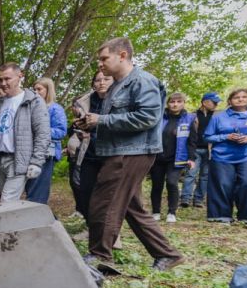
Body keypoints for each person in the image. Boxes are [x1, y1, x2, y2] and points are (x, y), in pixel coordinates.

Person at [74, 37, 183, 272]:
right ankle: (167, 254)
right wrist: (92, 123)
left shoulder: (142, 81)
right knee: (132, 208)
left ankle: (100, 256)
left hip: (131, 152)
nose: (100, 64)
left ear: (122, 55)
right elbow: (115, 120)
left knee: (105, 201)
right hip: (118, 150)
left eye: (104, 58)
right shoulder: (117, 86)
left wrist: (101, 120)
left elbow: (148, 118)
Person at [0, 63, 50, 203]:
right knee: (6, 201)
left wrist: (37, 162)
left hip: (19, 160)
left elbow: (43, 133)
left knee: (6, 203)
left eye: (7, 79)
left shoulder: (34, 101)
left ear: (20, 76)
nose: (3, 83)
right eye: (0, 80)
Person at [204, 88, 247, 226]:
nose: (240, 99)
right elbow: (207, 136)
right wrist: (225, 136)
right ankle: (222, 216)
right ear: (230, 101)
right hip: (222, 156)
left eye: (244, 97)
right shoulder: (219, 117)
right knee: (223, 185)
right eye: (236, 97)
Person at [66, 71, 113, 219]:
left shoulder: (119, 101)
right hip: (88, 153)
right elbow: (80, 128)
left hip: (111, 154)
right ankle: (90, 229)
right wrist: (79, 126)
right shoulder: (85, 102)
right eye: (98, 80)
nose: (102, 83)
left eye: (106, 79)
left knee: (107, 196)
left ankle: (111, 235)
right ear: (93, 84)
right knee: (85, 193)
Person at [149, 92, 196, 223]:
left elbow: (192, 141)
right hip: (157, 157)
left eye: (178, 102)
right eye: (172, 102)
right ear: (168, 103)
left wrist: (191, 158)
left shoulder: (189, 119)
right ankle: (156, 211)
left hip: (176, 158)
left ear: (183, 103)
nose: (175, 104)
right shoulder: (159, 117)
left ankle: (171, 212)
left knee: (171, 183)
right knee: (156, 185)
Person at [25, 77, 67, 205]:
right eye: (34, 90)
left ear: (48, 90)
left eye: (39, 89)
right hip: (31, 152)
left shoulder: (55, 109)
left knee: (38, 191)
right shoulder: (31, 108)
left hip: (47, 153)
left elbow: (61, 131)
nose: (36, 92)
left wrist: (41, 131)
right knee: (31, 188)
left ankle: (46, 219)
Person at [180, 92, 219, 208]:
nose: (216, 105)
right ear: (205, 102)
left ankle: (199, 200)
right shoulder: (192, 115)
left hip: (210, 150)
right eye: (214, 102)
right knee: (190, 174)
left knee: (205, 175)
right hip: (194, 149)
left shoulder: (217, 116)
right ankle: (185, 199)